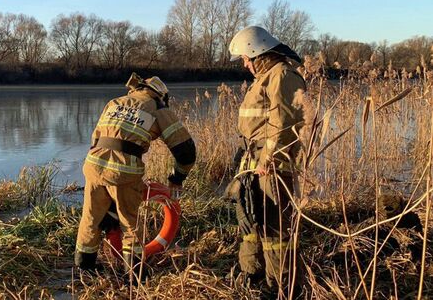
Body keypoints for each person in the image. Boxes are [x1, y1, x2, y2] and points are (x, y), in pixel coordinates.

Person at [75, 73, 196, 279]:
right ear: (160, 95)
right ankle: (134, 274)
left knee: (91, 218)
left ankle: (84, 268)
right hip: (124, 171)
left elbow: (95, 137)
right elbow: (185, 151)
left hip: (93, 165)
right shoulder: (157, 108)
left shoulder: (115, 102)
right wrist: (177, 178)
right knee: (131, 225)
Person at [226, 26, 306, 296]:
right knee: (250, 221)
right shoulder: (266, 76)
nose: (245, 65)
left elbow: (283, 124)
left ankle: (282, 287)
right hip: (254, 162)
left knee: (275, 230)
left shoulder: (282, 75)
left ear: (256, 52)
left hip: (272, 166)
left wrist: (268, 160)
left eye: (246, 59)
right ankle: (253, 274)